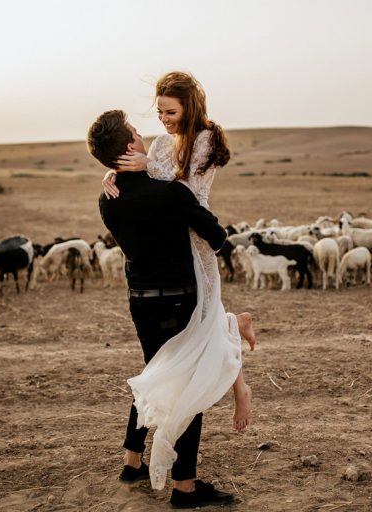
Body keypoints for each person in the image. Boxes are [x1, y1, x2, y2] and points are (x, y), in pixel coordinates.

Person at [90, 109, 235, 508]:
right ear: (130, 146)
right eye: (136, 131)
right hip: (178, 300)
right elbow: (216, 235)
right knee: (187, 388)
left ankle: (131, 461)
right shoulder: (168, 193)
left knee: (154, 375)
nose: (142, 132)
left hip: (139, 301)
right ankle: (185, 489)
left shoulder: (108, 197)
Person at [102, 71, 254, 434]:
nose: (163, 120)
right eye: (159, 113)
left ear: (189, 107)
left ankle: (239, 385)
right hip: (168, 237)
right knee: (202, 322)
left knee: (202, 318)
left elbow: (186, 186)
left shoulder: (206, 137)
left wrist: (146, 167)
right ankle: (236, 330)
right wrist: (113, 173)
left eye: (170, 113)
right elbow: (147, 184)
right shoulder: (158, 145)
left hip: (196, 237)